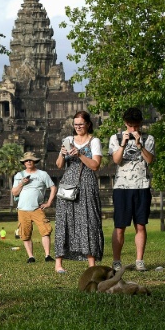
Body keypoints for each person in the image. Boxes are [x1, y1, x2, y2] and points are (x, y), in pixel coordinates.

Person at [53, 110, 104, 274]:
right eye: (75, 124)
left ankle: (91, 264)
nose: (78, 127)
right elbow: (59, 165)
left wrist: (80, 154)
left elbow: (95, 165)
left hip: (87, 183)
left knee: (89, 220)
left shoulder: (94, 141)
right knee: (64, 220)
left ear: (88, 124)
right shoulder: (67, 140)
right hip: (68, 183)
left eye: (81, 124)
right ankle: (58, 263)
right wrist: (62, 153)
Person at [108, 107, 156, 272]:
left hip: (141, 186)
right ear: (125, 123)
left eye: (136, 126)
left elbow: (150, 160)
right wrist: (123, 143)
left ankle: (139, 260)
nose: (133, 129)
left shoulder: (148, 138)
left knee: (140, 225)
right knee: (120, 226)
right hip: (122, 187)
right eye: (130, 125)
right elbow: (116, 160)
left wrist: (139, 144)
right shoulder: (115, 138)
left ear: (140, 124)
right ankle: (116, 261)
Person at [11, 152, 56, 264]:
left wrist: (49, 202)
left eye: (31, 160)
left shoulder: (42, 174)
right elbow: (14, 193)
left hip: (37, 208)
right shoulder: (19, 175)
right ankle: (31, 256)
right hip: (22, 209)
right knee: (25, 234)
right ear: (24, 163)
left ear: (35, 161)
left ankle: (47, 255)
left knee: (45, 230)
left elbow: (53, 187)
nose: (29, 162)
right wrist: (22, 183)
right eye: (26, 160)